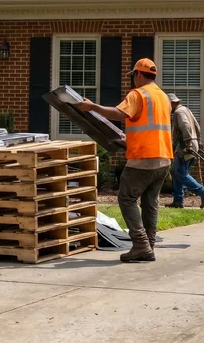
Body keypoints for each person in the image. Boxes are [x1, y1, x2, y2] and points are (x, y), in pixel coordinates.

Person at [77, 58, 172, 262]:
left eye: (133, 76)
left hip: (143, 159)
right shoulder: (163, 96)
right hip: (164, 157)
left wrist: (92, 107)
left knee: (126, 199)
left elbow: (119, 113)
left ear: (138, 74)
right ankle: (149, 245)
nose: (133, 81)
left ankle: (140, 244)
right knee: (150, 202)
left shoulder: (138, 94)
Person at [166, 93, 204, 209]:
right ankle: (178, 201)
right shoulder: (186, 109)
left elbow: (186, 126)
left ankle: (203, 192)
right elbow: (197, 127)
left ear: (172, 103)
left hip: (185, 146)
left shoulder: (178, 112)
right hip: (192, 143)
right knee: (177, 172)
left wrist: (187, 143)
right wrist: (198, 143)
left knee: (180, 173)